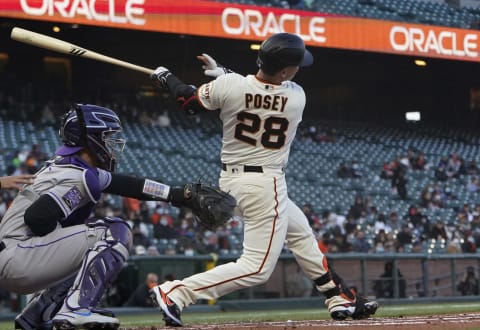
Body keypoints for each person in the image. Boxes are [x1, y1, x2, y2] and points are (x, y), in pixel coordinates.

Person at [149, 32, 378, 326]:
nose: (297, 69)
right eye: (294, 65)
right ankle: (177, 293)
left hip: (232, 181)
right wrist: (224, 72)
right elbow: (258, 89)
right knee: (256, 268)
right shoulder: (296, 95)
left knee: (300, 234)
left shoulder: (230, 86)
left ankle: (338, 296)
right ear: (284, 70)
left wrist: (167, 78)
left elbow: (190, 101)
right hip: (265, 185)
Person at [1, 104, 218, 330]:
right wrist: (64, 236)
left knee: (87, 249)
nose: (113, 144)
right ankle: (76, 309)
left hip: (15, 256)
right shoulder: (77, 176)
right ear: (91, 138)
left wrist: (175, 195)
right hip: (19, 257)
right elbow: (36, 217)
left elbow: (129, 185)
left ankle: (35, 316)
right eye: (107, 136)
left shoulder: (71, 168)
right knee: (114, 232)